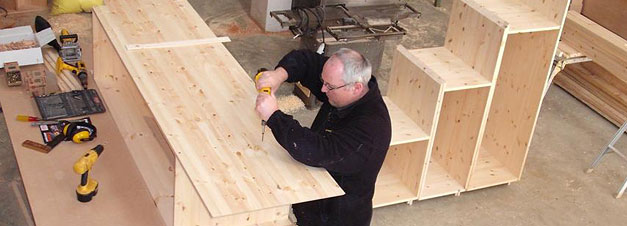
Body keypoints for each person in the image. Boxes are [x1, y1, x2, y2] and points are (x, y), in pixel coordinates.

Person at [254, 48, 392, 226]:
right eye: (323, 81)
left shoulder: (371, 130)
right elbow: (306, 60)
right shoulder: (343, 82)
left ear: (357, 87)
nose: (322, 89)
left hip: (336, 216)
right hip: (313, 195)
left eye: (330, 86)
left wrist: (274, 116)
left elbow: (317, 150)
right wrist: (279, 75)